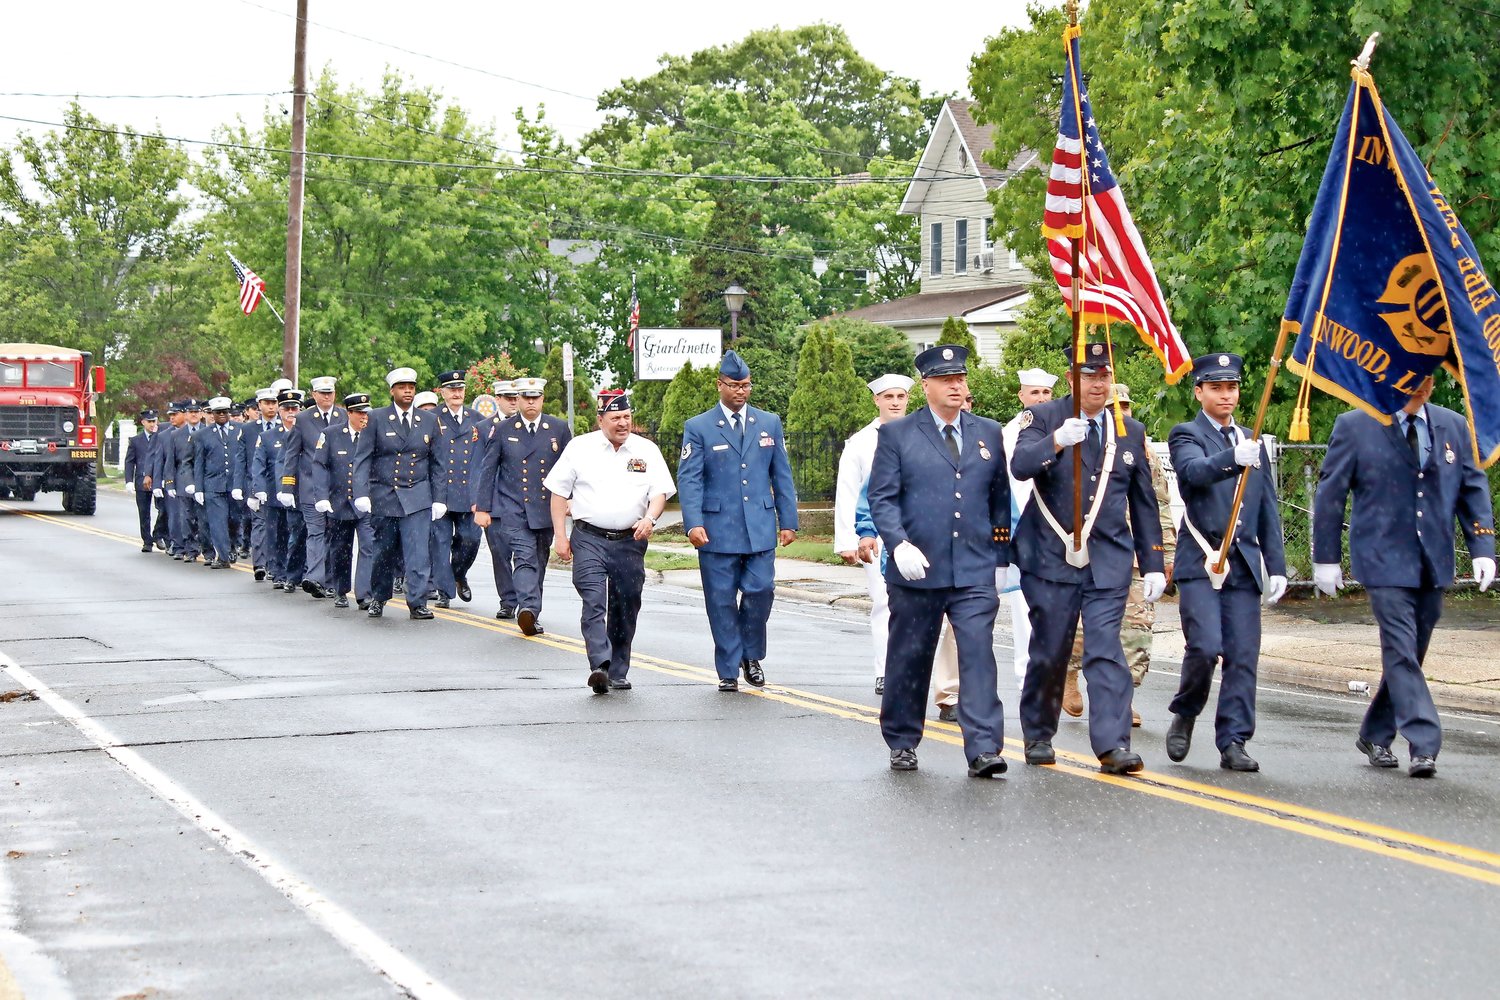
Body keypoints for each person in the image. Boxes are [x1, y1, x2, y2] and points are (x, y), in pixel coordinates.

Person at [1312, 375, 1496, 778]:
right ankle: (1424, 741)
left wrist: (1482, 547)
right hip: (1381, 558)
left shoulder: (1451, 424)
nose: (1421, 387)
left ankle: (1375, 733)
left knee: (1411, 653)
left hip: (1432, 558)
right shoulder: (1356, 424)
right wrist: (1325, 557)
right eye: (1412, 378)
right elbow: (1331, 492)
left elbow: (1471, 486)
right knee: (1399, 648)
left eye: (1428, 379)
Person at [1010, 338, 1166, 774]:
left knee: (1105, 651)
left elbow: (1143, 502)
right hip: (1049, 558)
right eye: (1088, 375)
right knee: (1051, 650)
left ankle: (1113, 745)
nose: (1098, 384)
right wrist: (1056, 442)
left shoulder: (1127, 429)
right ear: (1070, 378)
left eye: (1105, 375)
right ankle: (1039, 732)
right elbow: (1020, 465)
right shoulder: (1042, 418)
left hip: (1107, 560)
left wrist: (1152, 562)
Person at [864, 344, 1010, 777]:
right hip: (917, 568)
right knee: (910, 655)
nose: (956, 387)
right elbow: (882, 497)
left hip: (974, 567)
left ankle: (984, 747)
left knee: (978, 655)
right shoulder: (897, 435)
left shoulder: (987, 431)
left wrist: (1001, 555)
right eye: (947, 380)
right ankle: (903, 740)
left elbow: (998, 497)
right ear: (925, 385)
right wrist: (898, 542)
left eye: (960, 379)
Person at [1164, 355, 1287, 771]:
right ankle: (1186, 709)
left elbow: (1266, 507)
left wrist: (1279, 566)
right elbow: (1193, 473)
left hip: (1243, 565)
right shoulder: (1187, 434)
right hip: (1202, 561)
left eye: (1231, 388)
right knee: (1205, 647)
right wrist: (1234, 457)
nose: (1226, 395)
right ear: (1199, 391)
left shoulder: (1251, 441)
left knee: (1242, 654)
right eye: (1216, 388)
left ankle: (1234, 739)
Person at [678, 350, 799, 691]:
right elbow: (690, 479)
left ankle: (751, 654)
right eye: (734, 385)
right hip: (716, 529)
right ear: (719, 385)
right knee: (720, 600)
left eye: (746, 385)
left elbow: (782, 474)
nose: (741, 392)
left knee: (761, 590)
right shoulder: (699, 427)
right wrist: (693, 523)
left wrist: (788, 520)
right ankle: (729, 669)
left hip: (759, 526)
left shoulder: (769, 422)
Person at [1061, 382, 1177, 726]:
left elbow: (1160, 506)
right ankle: (1069, 670)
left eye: (1125, 407)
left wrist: (1165, 554)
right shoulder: (1080, 444)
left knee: (1137, 630)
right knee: (1083, 629)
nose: (1121, 414)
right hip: (1091, 552)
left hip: (1136, 556)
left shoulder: (1143, 452)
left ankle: (1122, 700)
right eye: (1115, 408)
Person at [546, 389, 676, 693]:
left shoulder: (647, 450)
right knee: (593, 600)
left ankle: (618, 670)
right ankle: (599, 665)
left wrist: (650, 518)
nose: (623, 423)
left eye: (627, 417)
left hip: (630, 540)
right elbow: (557, 493)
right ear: (600, 419)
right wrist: (560, 537)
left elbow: (659, 493)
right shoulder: (580, 448)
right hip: (589, 537)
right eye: (615, 418)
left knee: (626, 602)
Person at [834, 373, 914, 695]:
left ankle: (912, 669)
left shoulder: (919, 433)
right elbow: (849, 491)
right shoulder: (862, 442)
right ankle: (884, 670)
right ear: (876, 400)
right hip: (876, 534)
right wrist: (847, 540)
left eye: (900, 397)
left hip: (918, 531)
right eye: (888, 397)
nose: (895, 403)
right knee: (884, 601)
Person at [472, 376, 571, 635]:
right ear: (518, 400)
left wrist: (572, 499)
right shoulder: (504, 429)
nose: (529, 402)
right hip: (512, 507)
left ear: (542, 399)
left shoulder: (558, 429)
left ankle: (531, 610)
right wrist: (482, 507)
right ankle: (527, 608)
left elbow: (571, 469)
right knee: (524, 558)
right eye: (524, 398)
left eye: (534, 397)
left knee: (538, 558)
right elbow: (488, 468)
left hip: (545, 508)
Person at [354, 367, 446, 620]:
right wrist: (361, 492)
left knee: (418, 553)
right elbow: (362, 458)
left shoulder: (428, 420)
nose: (408, 391)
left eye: (411, 387)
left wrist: (439, 498)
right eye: (402, 387)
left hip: (417, 495)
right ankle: (379, 597)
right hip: (385, 495)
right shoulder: (376, 418)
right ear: (392, 390)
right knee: (384, 552)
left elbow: (437, 462)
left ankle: (417, 602)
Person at [1002, 368, 1059, 686]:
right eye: (1034, 393)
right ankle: (1027, 675)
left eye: (1045, 393)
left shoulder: (1064, 428)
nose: (1040, 399)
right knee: (1025, 607)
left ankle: (1055, 674)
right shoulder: (1008, 433)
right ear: (1021, 396)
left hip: (1060, 533)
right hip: (1023, 529)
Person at [279, 375, 346, 598]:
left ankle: (330, 580)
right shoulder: (303, 419)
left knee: (334, 535)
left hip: (337, 488)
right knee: (316, 533)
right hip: (310, 487)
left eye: (330, 393)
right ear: (314, 395)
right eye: (323, 393)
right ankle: (315, 578)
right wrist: (288, 487)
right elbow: (292, 455)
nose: (327, 397)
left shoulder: (343, 415)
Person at [308, 392, 376, 609]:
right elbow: (319, 465)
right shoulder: (331, 434)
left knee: (369, 546)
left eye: (366, 413)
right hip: (339, 502)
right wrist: (321, 496)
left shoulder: (374, 434)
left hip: (366, 502)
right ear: (349, 413)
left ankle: (364, 593)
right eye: (359, 413)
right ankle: (340, 589)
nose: (364, 417)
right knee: (340, 549)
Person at [429, 370, 484, 608]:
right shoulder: (431, 418)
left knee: (471, 539)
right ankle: (444, 590)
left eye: (460, 389)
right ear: (442, 392)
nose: (456, 394)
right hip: (439, 491)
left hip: (469, 492)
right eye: (451, 389)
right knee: (440, 543)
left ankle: (458, 574)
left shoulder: (477, 418)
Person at [251, 389, 307, 591]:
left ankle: (297, 572)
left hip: (301, 491)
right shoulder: (268, 436)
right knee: (278, 535)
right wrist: (258, 490)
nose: (291, 412)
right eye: (287, 409)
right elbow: (259, 465)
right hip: (275, 492)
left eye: (295, 408)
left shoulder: (307, 431)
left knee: (300, 534)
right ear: (280, 411)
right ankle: (278, 572)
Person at [480, 379, 521, 619]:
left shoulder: (526, 426)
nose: (513, 402)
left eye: (516, 398)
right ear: (498, 399)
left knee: (526, 554)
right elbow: (479, 468)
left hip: (522, 501)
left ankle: (527, 600)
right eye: (508, 398)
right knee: (501, 553)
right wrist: (480, 503)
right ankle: (508, 600)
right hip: (495, 501)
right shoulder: (485, 427)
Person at [190, 396, 246, 568]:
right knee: (217, 522)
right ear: (212, 414)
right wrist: (199, 488)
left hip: (235, 484)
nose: (222, 415)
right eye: (218, 412)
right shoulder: (201, 435)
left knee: (235, 520)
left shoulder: (241, 430)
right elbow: (199, 462)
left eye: (225, 412)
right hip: (213, 484)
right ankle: (223, 556)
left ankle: (233, 546)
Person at [246, 388, 279, 580]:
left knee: (276, 528)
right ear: (259, 405)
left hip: (277, 485)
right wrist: (249, 488)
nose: (271, 407)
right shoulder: (249, 430)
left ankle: (274, 565)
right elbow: (243, 460)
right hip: (256, 484)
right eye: (267, 403)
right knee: (259, 524)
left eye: (273, 403)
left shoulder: (285, 427)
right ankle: (259, 563)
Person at [123, 409, 161, 552]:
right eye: (149, 422)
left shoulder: (161, 437)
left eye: (154, 421)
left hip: (157, 480)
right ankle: (147, 541)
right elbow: (129, 462)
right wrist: (129, 481)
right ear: (143, 422)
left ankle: (158, 534)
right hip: (141, 480)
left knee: (163, 510)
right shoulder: (136, 441)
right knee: (144, 512)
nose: (152, 424)